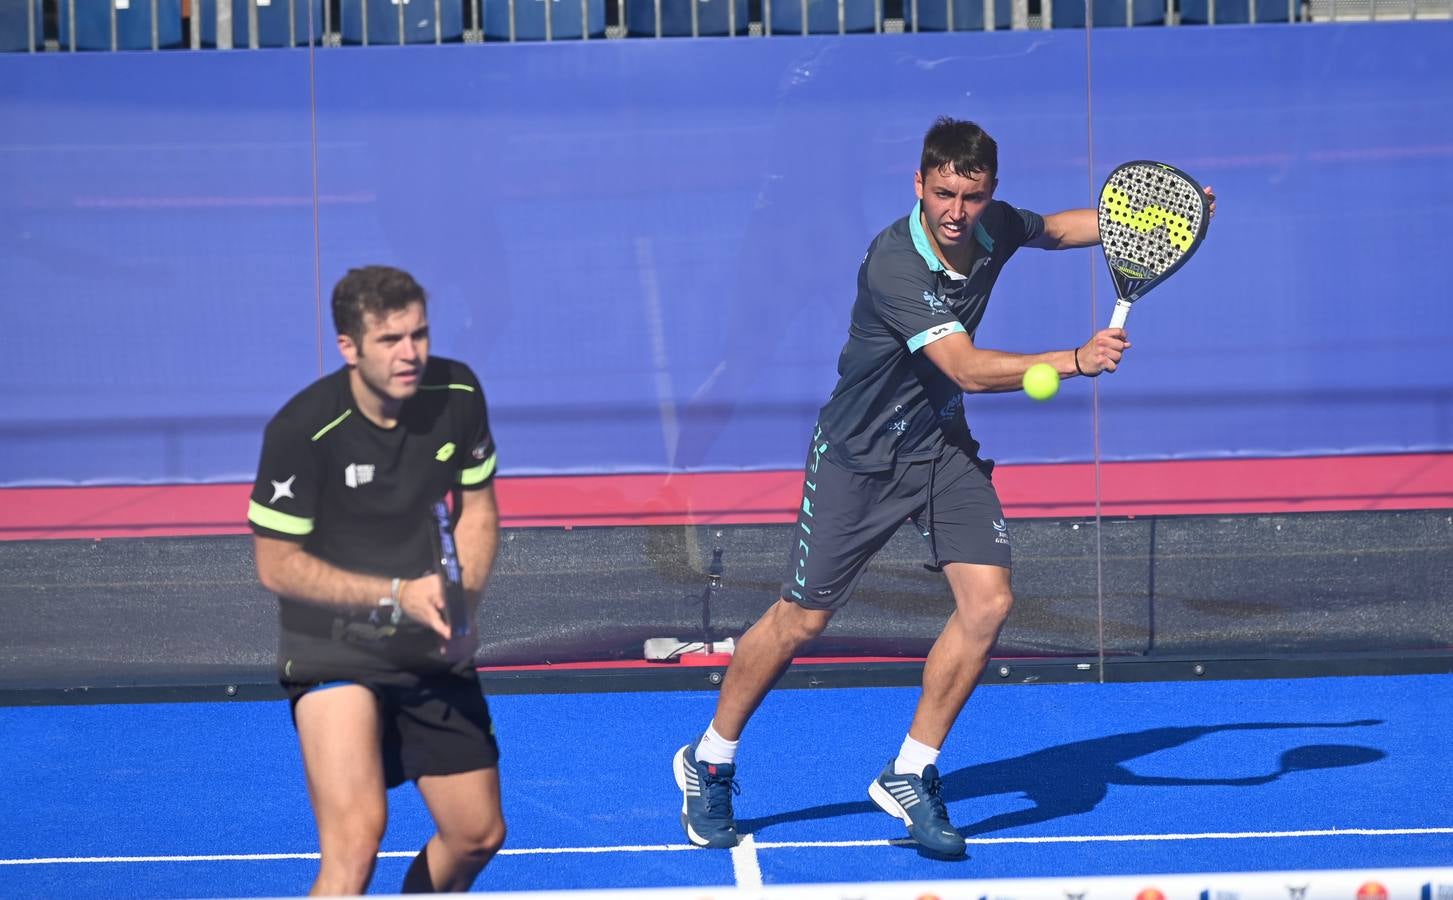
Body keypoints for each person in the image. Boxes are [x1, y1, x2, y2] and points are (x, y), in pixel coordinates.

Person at [672, 118, 1214, 858]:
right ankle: (709, 760)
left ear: (989, 192)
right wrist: (1075, 359)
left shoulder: (993, 226)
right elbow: (963, 368)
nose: (956, 211)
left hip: (939, 450)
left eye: (971, 195)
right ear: (919, 185)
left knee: (988, 602)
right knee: (802, 621)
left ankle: (911, 769)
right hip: (859, 459)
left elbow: (1060, 229)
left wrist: (1165, 219)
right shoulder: (895, 263)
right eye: (943, 193)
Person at [248, 265, 505, 894]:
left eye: (418, 334)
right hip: (332, 643)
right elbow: (276, 564)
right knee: (356, 842)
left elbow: (477, 511)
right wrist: (395, 595)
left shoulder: (458, 394)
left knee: (476, 835)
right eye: (390, 340)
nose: (409, 353)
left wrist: (462, 606)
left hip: (426, 644)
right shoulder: (302, 431)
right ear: (349, 347)